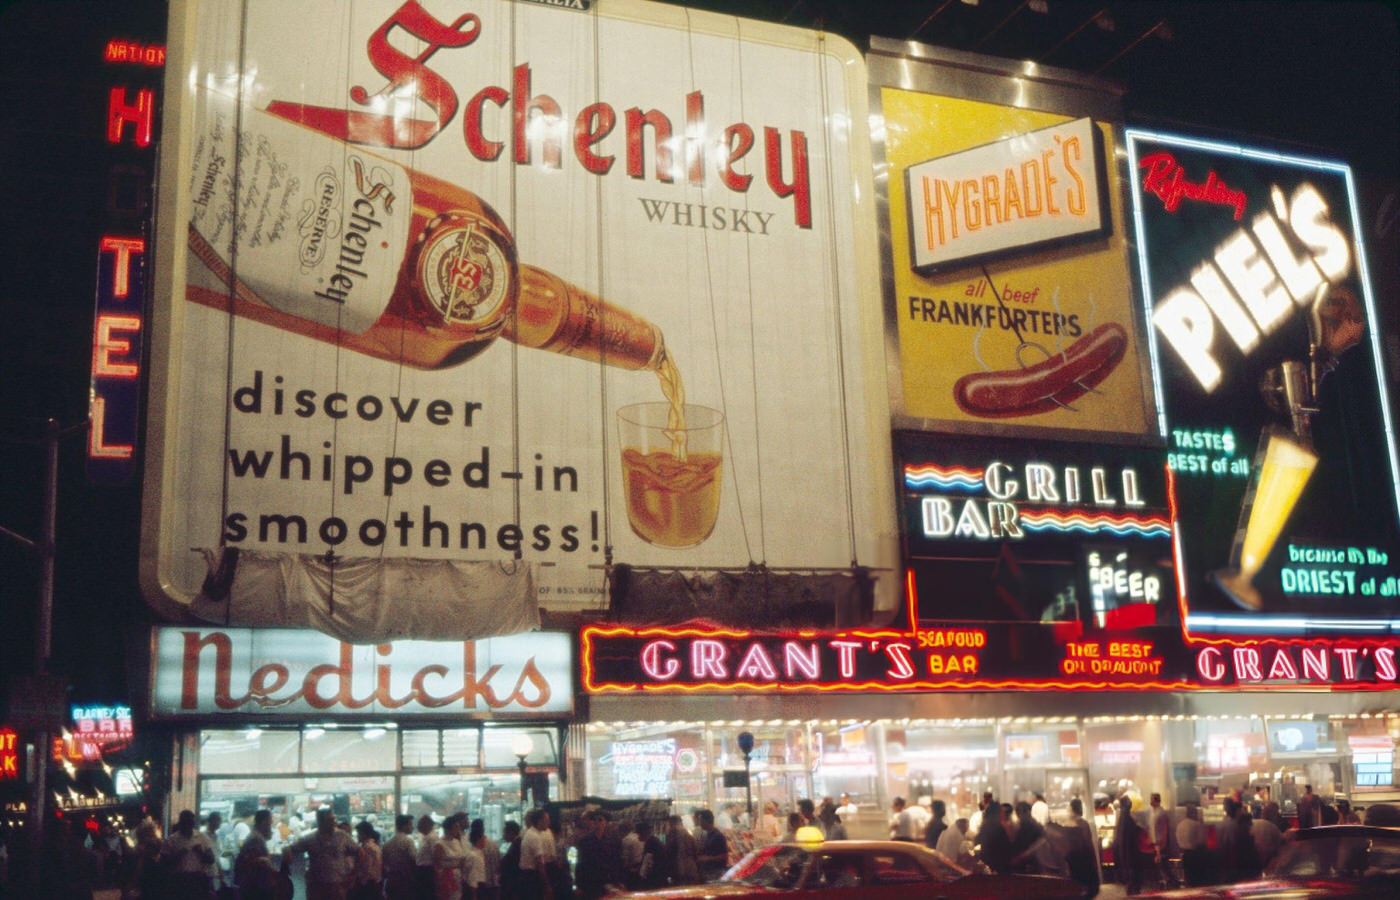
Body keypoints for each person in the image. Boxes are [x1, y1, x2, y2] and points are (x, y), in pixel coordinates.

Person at [285, 808, 360, 900]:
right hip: (316, 884)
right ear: (320, 821)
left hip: (337, 883)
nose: (333, 823)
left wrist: (353, 875)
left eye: (333, 820)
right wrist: (287, 852)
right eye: (329, 820)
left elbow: (360, 852)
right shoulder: (311, 838)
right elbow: (291, 848)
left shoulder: (342, 836)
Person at [163, 809, 218, 900]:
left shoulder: (201, 838)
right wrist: (178, 855)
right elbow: (164, 863)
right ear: (181, 823)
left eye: (190, 822)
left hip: (198, 878)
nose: (188, 825)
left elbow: (211, 860)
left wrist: (200, 853)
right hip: (180, 879)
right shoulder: (172, 840)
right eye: (185, 822)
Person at [573, 812, 621, 900]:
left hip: (606, 880)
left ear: (606, 823)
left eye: (600, 820)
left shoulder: (611, 840)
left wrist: (617, 880)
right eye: (595, 820)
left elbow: (615, 862)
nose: (597, 822)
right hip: (589, 880)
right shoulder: (584, 840)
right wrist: (578, 884)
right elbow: (580, 863)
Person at [234, 810, 279, 900]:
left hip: (253, 884)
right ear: (264, 822)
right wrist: (267, 863)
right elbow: (252, 860)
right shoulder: (255, 838)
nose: (272, 823)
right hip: (254, 886)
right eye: (270, 820)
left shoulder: (256, 836)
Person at [1064, 798, 1101, 899]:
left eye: (1068, 808)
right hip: (1085, 862)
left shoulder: (1074, 825)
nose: (1067, 811)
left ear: (1072, 809)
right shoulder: (1084, 823)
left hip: (1078, 862)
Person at [518, 809, 555, 900]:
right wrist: (547, 884)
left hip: (527, 876)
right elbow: (539, 863)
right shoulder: (535, 837)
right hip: (531, 877)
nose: (549, 823)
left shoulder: (531, 833)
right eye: (546, 820)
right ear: (539, 821)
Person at [1112, 796, 1144, 895]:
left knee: (1130, 873)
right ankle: (1133, 891)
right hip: (1131, 851)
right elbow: (1134, 832)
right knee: (1134, 873)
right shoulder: (1127, 818)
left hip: (1126, 852)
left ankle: (1131, 890)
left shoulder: (1122, 818)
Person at [434, 814, 469, 900]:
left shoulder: (457, 842)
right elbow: (436, 865)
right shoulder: (439, 844)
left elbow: (462, 857)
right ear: (449, 828)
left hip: (458, 875)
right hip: (446, 877)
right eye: (456, 827)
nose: (458, 829)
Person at [381, 815, 417, 900]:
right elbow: (413, 860)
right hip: (405, 881)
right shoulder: (408, 841)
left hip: (391, 880)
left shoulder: (387, 843)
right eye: (410, 824)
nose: (412, 827)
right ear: (404, 826)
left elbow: (384, 863)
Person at [1176, 803, 1210, 886]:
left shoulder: (1180, 824)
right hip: (1196, 855)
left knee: (1188, 878)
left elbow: (1178, 839)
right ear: (1193, 813)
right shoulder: (1196, 825)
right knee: (1197, 880)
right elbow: (1202, 841)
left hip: (1184, 854)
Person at [975, 803, 1014, 875]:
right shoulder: (997, 826)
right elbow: (1007, 845)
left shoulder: (986, 825)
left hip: (989, 862)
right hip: (998, 864)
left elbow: (977, 840)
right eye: (1001, 812)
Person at [694, 809, 730, 883]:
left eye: (700, 821)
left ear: (706, 821)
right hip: (709, 871)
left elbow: (724, 856)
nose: (699, 823)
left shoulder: (717, 836)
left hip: (715, 872)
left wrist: (707, 858)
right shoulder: (707, 835)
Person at [469, 819, 501, 900]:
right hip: (493, 881)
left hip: (480, 884)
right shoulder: (493, 844)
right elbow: (498, 862)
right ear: (483, 829)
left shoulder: (472, 849)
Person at [663, 815, 699, 885]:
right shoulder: (687, 833)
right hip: (690, 867)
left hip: (680, 868)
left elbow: (671, 851)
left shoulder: (674, 832)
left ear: (671, 823)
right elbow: (695, 851)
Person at [416, 816, 441, 900]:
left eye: (419, 824)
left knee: (427, 894)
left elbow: (436, 855)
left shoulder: (432, 837)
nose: (417, 827)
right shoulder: (426, 837)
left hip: (428, 871)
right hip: (423, 870)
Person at [636, 822, 666, 889]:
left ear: (644, 832)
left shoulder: (650, 843)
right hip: (661, 875)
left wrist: (642, 876)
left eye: (638, 833)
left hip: (655, 878)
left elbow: (647, 864)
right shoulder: (655, 841)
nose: (638, 836)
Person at [498, 822, 522, 900]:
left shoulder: (517, 844)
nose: (503, 835)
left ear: (511, 833)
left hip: (512, 883)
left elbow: (507, 863)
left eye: (504, 832)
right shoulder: (516, 843)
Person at [619, 820, 644, 889]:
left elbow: (625, 860)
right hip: (641, 869)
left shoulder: (626, 840)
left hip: (631, 872)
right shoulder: (638, 836)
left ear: (622, 830)